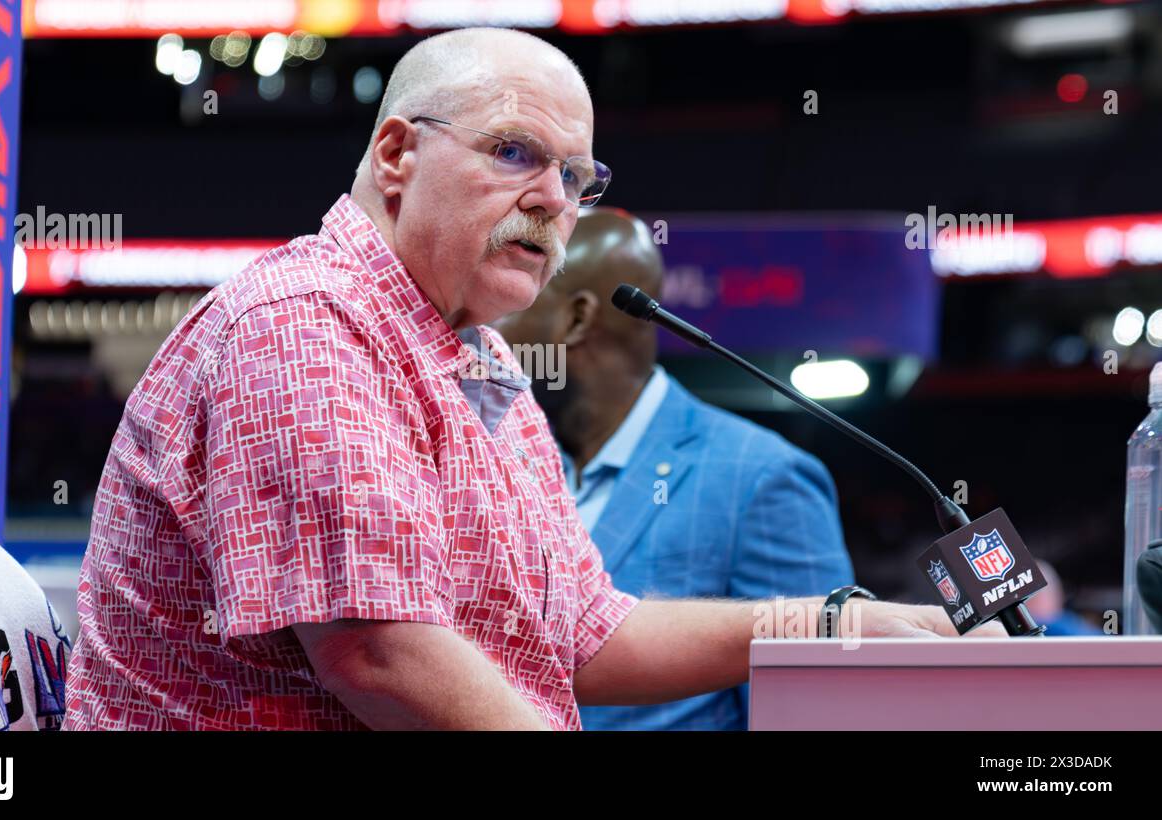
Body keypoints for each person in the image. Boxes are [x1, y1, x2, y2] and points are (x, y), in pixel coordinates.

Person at [63, 27, 997, 731]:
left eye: (576, 177)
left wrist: (834, 626)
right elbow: (379, 655)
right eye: (515, 152)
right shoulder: (307, 326)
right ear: (397, 156)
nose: (554, 198)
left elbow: (587, 634)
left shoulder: (479, 354)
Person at [496, 208, 854, 730]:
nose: (477, 328)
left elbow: (815, 715)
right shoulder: (502, 462)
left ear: (574, 319)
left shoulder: (760, 478)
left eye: (509, 302)